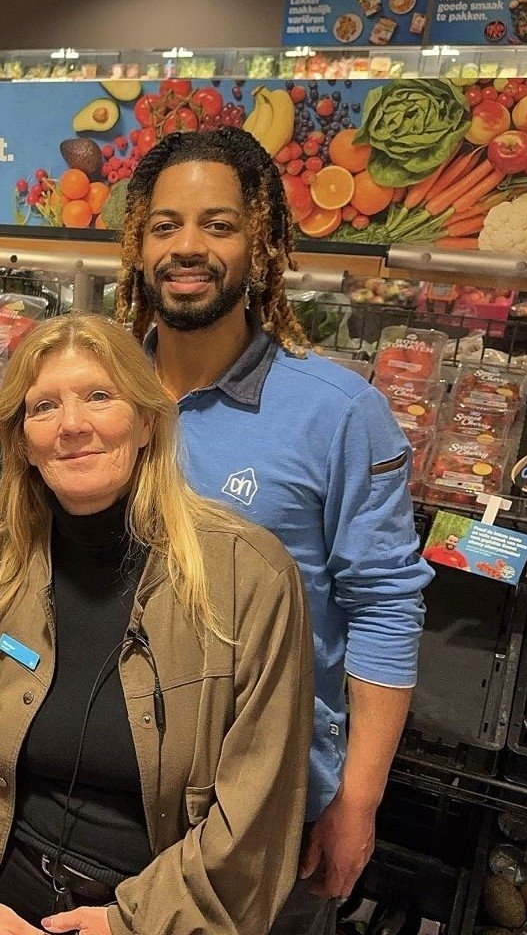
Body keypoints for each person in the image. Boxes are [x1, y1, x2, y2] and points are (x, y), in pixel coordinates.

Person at [113, 127, 432, 934]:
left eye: (218, 225)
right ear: (136, 245)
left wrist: (357, 802)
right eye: (166, 226)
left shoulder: (338, 413)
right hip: (104, 792)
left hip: (267, 815)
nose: (188, 248)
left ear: (262, 245)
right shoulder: (95, 391)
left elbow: (386, 607)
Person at [0, 313, 314, 935]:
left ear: (147, 420)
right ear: (20, 441)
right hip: (2, 905)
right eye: (44, 407)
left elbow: (257, 814)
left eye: (100, 396)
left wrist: (130, 924)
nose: (73, 426)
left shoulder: (248, 577)